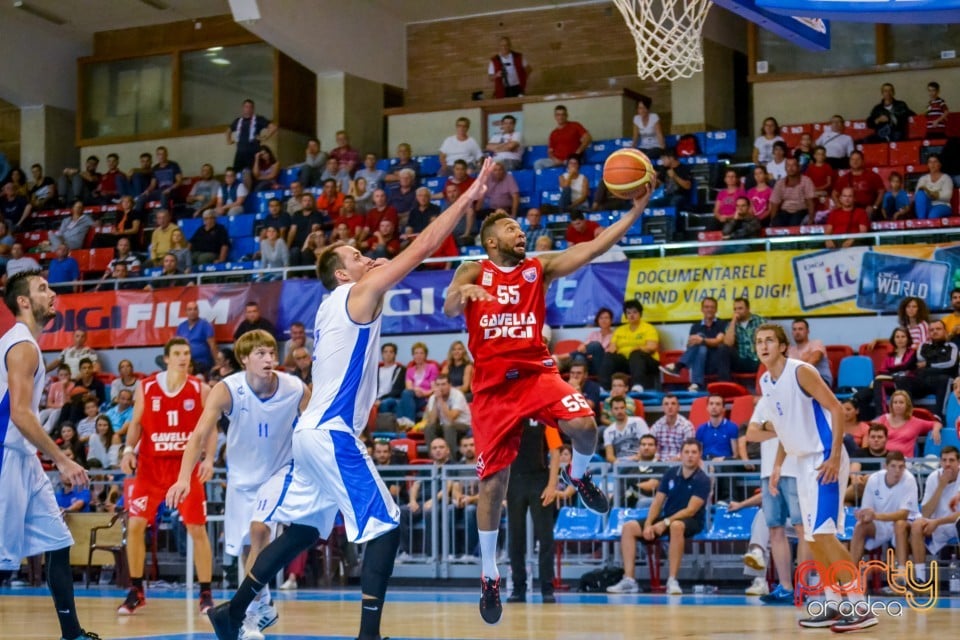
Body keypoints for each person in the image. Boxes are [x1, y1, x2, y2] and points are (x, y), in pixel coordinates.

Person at [206, 159, 494, 640]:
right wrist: (467, 197)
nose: (369, 258)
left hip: (312, 433)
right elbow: (423, 247)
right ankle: (368, 635)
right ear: (344, 275)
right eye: (359, 256)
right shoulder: (356, 294)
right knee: (386, 526)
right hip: (330, 432)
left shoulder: (332, 304)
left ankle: (232, 612)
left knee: (302, 531)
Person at [443, 176, 655, 624]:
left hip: (537, 372)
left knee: (585, 426)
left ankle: (579, 479)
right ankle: (489, 575)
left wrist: (635, 212)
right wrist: (463, 294)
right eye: (512, 229)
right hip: (493, 388)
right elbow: (447, 306)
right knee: (492, 485)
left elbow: (592, 249)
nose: (521, 232)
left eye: (522, 228)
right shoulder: (472, 270)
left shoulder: (537, 268)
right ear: (490, 240)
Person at [167, 330, 310, 640]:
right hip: (242, 480)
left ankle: (246, 616)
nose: (269, 359)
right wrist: (183, 478)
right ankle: (263, 604)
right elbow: (199, 434)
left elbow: (317, 426)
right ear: (244, 359)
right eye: (260, 354)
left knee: (260, 533)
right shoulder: (227, 390)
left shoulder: (295, 388)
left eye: (272, 353)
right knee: (246, 547)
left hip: (279, 475)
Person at [753, 323, 877, 631]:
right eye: (759, 342)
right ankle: (833, 603)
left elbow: (836, 409)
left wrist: (834, 455)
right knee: (812, 538)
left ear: (783, 346)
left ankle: (860, 606)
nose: (764, 345)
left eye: (769, 340)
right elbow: (783, 429)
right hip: (801, 463)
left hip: (824, 459)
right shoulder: (766, 381)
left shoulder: (801, 371)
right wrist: (779, 464)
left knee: (824, 534)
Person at [0, 270, 99, 640]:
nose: (52, 293)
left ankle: (71, 633)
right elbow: (20, 414)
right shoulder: (22, 346)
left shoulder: (26, 344)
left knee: (58, 542)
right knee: (2, 560)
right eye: (43, 289)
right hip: (5, 456)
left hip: (22, 457)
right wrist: (62, 458)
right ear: (23, 302)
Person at [118, 338, 215, 616]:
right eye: (177, 354)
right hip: (150, 468)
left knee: (197, 529)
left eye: (187, 353)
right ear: (166, 358)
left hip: (184, 470)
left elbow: (211, 429)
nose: (184, 358)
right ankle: (136, 590)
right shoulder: (146, 386)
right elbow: (136, 423)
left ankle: (206, 592)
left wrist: (208, 458)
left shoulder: (201, 389)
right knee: (135, 526)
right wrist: (127, 450)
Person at [607, 439, 710, 595]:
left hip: (692, 521)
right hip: (667, 517)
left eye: (694, 452)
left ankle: (672, 580)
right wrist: (648, 524)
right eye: (687, 452)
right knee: (629, 527)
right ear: (681, 455)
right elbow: (657, 502)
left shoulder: (703, 480)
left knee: (676, 526)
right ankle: (629, 580)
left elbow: (690, 510)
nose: (690, 456)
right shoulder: (670, 473)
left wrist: (665, 523)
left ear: (699, 455)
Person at [505, 421, 562, 604]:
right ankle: (518, 587)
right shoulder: (510, 416)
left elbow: (555, 452)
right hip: (514, 480)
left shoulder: (544, 418)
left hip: (540, 479)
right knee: (515, 537)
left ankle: (547, 587)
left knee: (545, 537)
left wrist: (552, 485)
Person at [848, 451, 917, 571]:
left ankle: (901, 576)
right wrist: (863, 515)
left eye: (901, 467)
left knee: (899, 525)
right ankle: (850, 575)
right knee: (860, 526)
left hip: (905, 523)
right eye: (893, 466)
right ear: (885, 466)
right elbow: (867, 509)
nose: (897, 471)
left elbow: (903, 514)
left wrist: (875, 516)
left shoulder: (909, 480)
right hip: (879, 524)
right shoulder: (874, 479)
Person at [907, 446, 960, 585]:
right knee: (917, 524)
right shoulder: (933, 478)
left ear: (958, 462)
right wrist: (941, 486)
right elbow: (925, 512)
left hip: (955, 523)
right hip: (936, 524)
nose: (947, 464)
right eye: (944, 460)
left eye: (951, 460)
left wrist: (937, 522)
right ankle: (920, 577)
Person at [659, 296, 730, 391]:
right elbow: (690, 346)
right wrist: (693, 343)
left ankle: (679, 366)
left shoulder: (722, 323)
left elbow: (719, 341)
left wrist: (702, 340)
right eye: (706, 307)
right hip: (699, 362)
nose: (709, 309)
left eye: (712, 307)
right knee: (701, 348)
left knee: (701, 338)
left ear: (716, 309)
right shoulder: (695, 326)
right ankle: (696, 383)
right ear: (702, 309)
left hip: (716, 362)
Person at [896, 320, 958, 420]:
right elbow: (920, 359)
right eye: (932, 330)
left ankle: (939, 417)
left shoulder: (951, 346)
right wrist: (938, 360)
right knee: (903, 379)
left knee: (945, 379)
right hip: (923, 380)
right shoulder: (923, 346)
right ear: (928, 333)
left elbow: (950, 363)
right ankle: (908, 417)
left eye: (938, 329)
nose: (935, 332)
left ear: (945, 331)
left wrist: (929, 364)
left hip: (941, 381)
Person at [598, 300, 660, 393]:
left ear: (640, 313)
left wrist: (638, 348)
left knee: (636, 354)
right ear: (626, 315)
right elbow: (612, 348)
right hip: (626, 362)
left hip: (647, 361)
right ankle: (604, 387)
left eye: (635, 312)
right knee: (609, 356)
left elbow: (652, 347)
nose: (631, 315)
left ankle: (638, 385)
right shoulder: (620, 330)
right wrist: (613, 354)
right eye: (628, 313)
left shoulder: (648, 328)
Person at [873, 389, 942, 457]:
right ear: (891, 405)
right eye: (895, 402)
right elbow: (870, 429)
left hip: (905, 461)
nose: (898, 405)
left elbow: (936, 423)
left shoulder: (915, 422)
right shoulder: (883, 419)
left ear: (907, 405)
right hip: (884, 459)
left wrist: (936, 430)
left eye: (901, 402)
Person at [422, 374, 472, 458]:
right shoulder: (433, 397)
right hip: (444, 426)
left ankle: (450, 460)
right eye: (438, 385)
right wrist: (436, 401)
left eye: (443, 384)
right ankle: (433, 459)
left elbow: (451, 418)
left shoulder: (457, 395)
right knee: (428, 427)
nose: (441, 387)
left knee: (448, 426)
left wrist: (441, 400)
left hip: (463, 426)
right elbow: (432, 421)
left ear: (450, 385)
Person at [227, 99, 277, 179]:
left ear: (253, 109)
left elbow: (273, 127)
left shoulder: (258, 119)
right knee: (235, 174)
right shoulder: (238, 121)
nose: (248, 109)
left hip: (253, 153)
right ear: (243, 108)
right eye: (246, 107)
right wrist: (229, 140)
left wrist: (265, 137)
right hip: (240, 153)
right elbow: (229, 130)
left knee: (253, 175)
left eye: (250, 107)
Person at [534, 105, 592, 170]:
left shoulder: (575, 125)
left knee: (571, 164)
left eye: (563, 114)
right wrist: (554, 159)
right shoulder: (553, 133)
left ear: (567, 115)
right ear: (555, 117)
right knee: (538, 163)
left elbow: (588, 138)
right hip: (557, 160)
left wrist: (577, 153)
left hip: (572, 159)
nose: (560, 117)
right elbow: (550, 151)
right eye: (558, 115)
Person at [768, 157, 816, 227]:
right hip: (785, 211)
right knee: (777, 223)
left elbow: (810, 201)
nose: (790, 168)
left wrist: (811, 218)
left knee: (794, 223)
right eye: (788, 166)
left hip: (801, 210)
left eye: (793, 165)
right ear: (785, 168)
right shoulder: (780, 183)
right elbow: (775, 203)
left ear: (798, 167)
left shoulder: (806, 181)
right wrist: (772, 221)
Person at [723, 297, 765, 375]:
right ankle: (724, 383)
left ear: (748, 309)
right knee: (723, 349)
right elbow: (728, 343)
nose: (737, 312)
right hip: (740, 361)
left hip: (756, 360)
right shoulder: (731, 324)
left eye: (740, 308)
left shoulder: (759, 321)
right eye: (735, 309)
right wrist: (733, 321)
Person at [175, 301, 218, 376]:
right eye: (190, 309)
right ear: (186, 312)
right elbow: (176, 345)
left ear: (198, 311)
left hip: (201, 362)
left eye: (195, 309)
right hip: (185, 360)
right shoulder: (181, 326)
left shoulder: (205, 325)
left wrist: (218, 363)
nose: (192, 312)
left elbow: (212, 345)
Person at [604, 396, 651, 463]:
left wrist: (638, 457)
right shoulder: (608, 431)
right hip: (619, 465)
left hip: (639, 461)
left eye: (622, 408)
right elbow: (609, 456)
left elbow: (648, 443)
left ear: (626, 408)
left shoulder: (638, 422)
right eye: (616, 409)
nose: (619, 411)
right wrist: (618, 463)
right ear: (611, 411)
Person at [787, 319, 833, 387]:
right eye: (794, 329)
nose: (797, 332)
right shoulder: (791, 350)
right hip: (799, 381)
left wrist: (798, 367)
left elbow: (815, 359)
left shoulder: (816, 343)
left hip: (820, 379)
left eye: (800, 329)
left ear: (807, 331)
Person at [649, 394, 695, 461]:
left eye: (673, 404)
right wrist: (656, 457)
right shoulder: (657, 426)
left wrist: (678, 458)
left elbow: (689, 450)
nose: (670, 407)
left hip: (680, 463)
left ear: (678, 407)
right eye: (666, 404)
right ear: (663, 407)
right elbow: (652, 447)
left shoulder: (687, 426)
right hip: (659, 463)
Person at [695, 394, 740, 460]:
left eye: (718, 404)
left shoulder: (732, 427)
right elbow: (699, 455)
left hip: (725, 464)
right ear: (707, 408)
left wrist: (723, 459)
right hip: (706, 465)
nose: (714, 406)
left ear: (723, 409)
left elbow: (736, 455)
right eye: (711, 404)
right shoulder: (701, 429)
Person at [914, 154, 954, 220]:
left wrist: (933, 194)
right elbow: (917, 195)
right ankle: (921, 222)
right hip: (927, 205)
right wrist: (929, 194)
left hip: (942, 205)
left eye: (935, 162)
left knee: (933, 215)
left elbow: (947, 196)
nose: (932, 164)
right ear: (928, 165)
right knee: (920, 194)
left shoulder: (946, 178)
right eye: (930, 162)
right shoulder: (923, 179)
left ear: (940, 164)